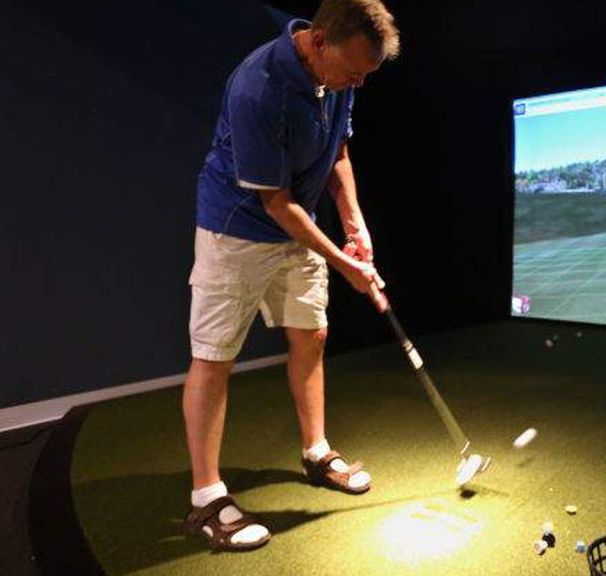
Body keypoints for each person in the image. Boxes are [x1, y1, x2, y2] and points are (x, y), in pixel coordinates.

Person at [181, 0, 399, 551]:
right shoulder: (258, 87)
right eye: (354, 72)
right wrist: (345, 264)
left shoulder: (339, 74)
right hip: (236, 229)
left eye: (366, 75)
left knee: (313, 334)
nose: (358, 83)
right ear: (320, 41)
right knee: (214, 357)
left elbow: (338, 150)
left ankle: (316, 451)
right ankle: (206, 499)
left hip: (298, 227)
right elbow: (275, 202)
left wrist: (354, 222)